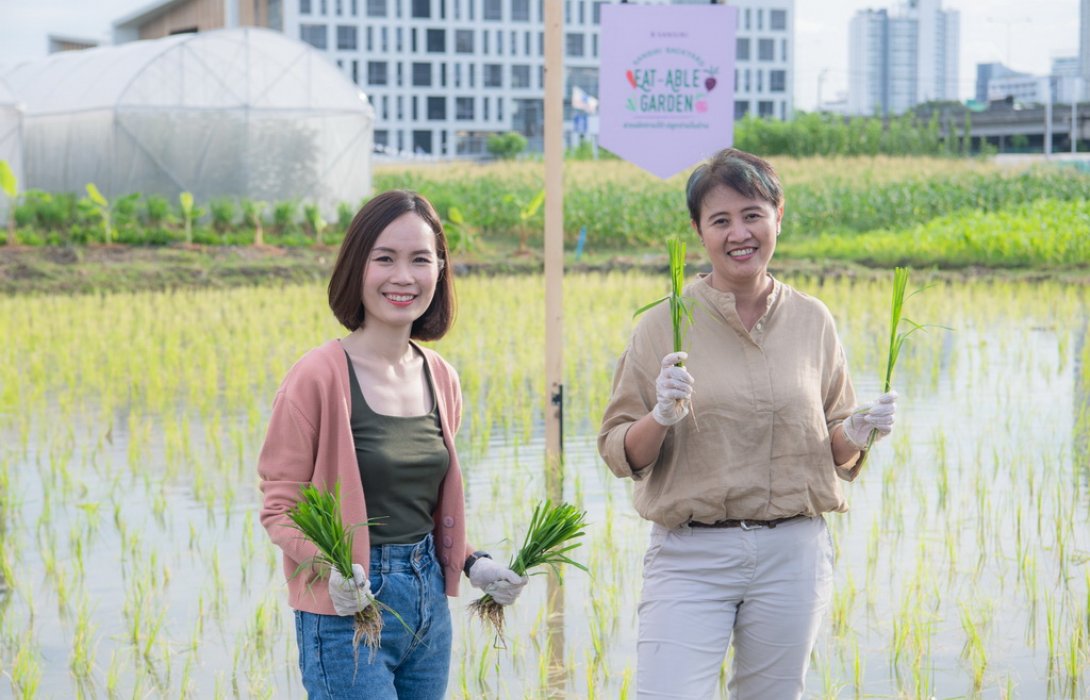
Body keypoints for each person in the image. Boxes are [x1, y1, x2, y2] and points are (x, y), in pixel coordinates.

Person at [597, 148, 897, 699]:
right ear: (698, 231)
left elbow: (837, 448)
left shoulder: (812, 319)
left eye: (753, 214)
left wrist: (858, 432)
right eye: (720, 220)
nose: (739, 233)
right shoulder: (665, 323)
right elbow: (619, 450)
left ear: (778, 215)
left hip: (793, 553)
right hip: (691, 555)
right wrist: (659, 417)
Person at [257, 190, 527, 699]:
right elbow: (279, 507)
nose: (403, 276)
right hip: (346, 613)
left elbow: (420, 509)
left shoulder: (441, 377)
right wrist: (332, 569)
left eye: (420, 259)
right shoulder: (316, 377)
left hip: (429, 604)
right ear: (356, 267)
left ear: (440, 270)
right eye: (385, 258)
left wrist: (475, 563)